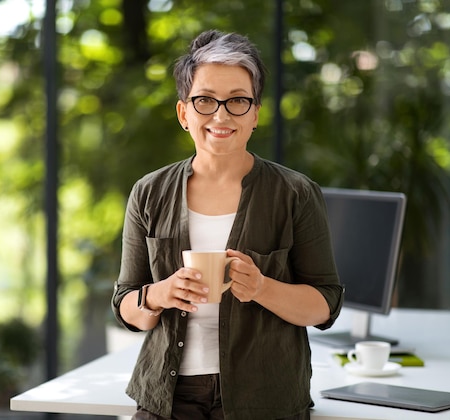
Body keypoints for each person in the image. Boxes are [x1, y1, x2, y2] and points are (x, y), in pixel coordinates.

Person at [111, 29, 343, 420]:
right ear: (185, 113)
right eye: (205, 100)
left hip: (265, 397)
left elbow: (325, 305)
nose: (221, 115)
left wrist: (262, 287)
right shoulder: (148, 192)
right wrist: (160, 294)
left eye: (237, 100)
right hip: (166, 398)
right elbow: (126, 306)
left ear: (256, 113)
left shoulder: (295, 193)